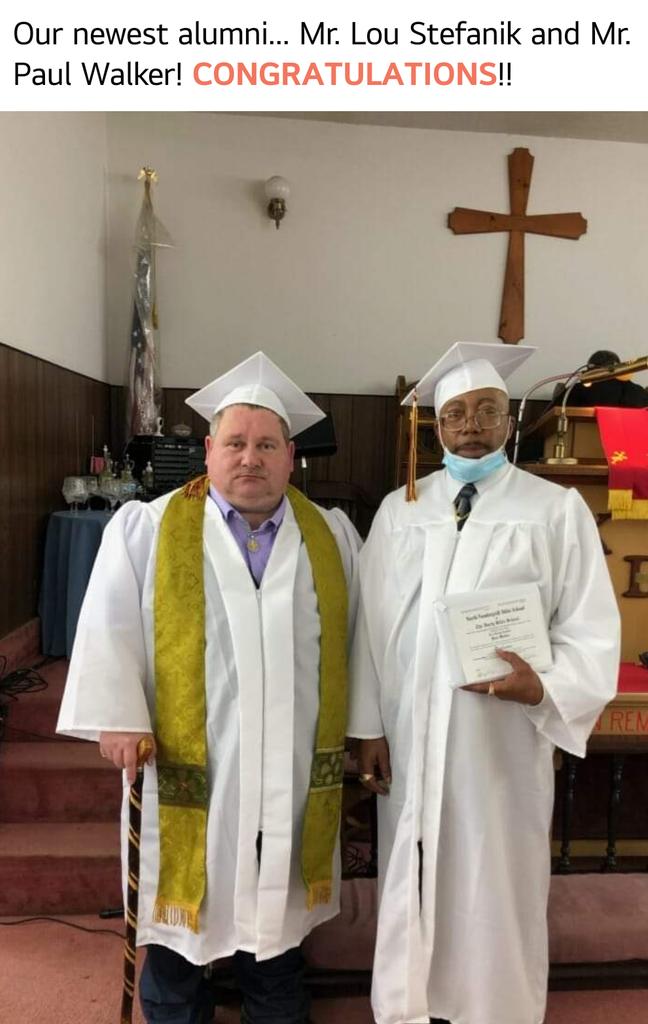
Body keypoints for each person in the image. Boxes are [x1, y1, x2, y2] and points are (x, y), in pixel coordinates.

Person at [57, 351, 360, 1024]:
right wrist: (117, 716)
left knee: (275, 918)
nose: (249, 458)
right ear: (208, 450)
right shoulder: (150, 528)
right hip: (189, 767)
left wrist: (365, 730)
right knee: (179, 929)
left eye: (266, 444)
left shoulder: (330, 537)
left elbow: (359, 642)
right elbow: (109, 626)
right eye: (235, 442)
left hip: (287, 767)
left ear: (290, 456)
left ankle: (275, 1008)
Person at [348, 342, 620, 1024]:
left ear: (510, 421)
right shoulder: (398, 510)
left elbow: (590, 624)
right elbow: (367, 627)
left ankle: (495, 1009)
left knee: (494, 877)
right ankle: (412, 1004)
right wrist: (368, 728)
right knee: (411, 864)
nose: (471, 425)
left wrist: (547, 687)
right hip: (407, 737)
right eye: (457, 414)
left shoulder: (555, 511)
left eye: (488, 411)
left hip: (499, 742)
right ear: (435, 428)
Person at [553, 348, 647, 408]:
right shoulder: (638, 391)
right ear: (618, 367)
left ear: (589, 369)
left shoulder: (575, 390)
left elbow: (551, 415)